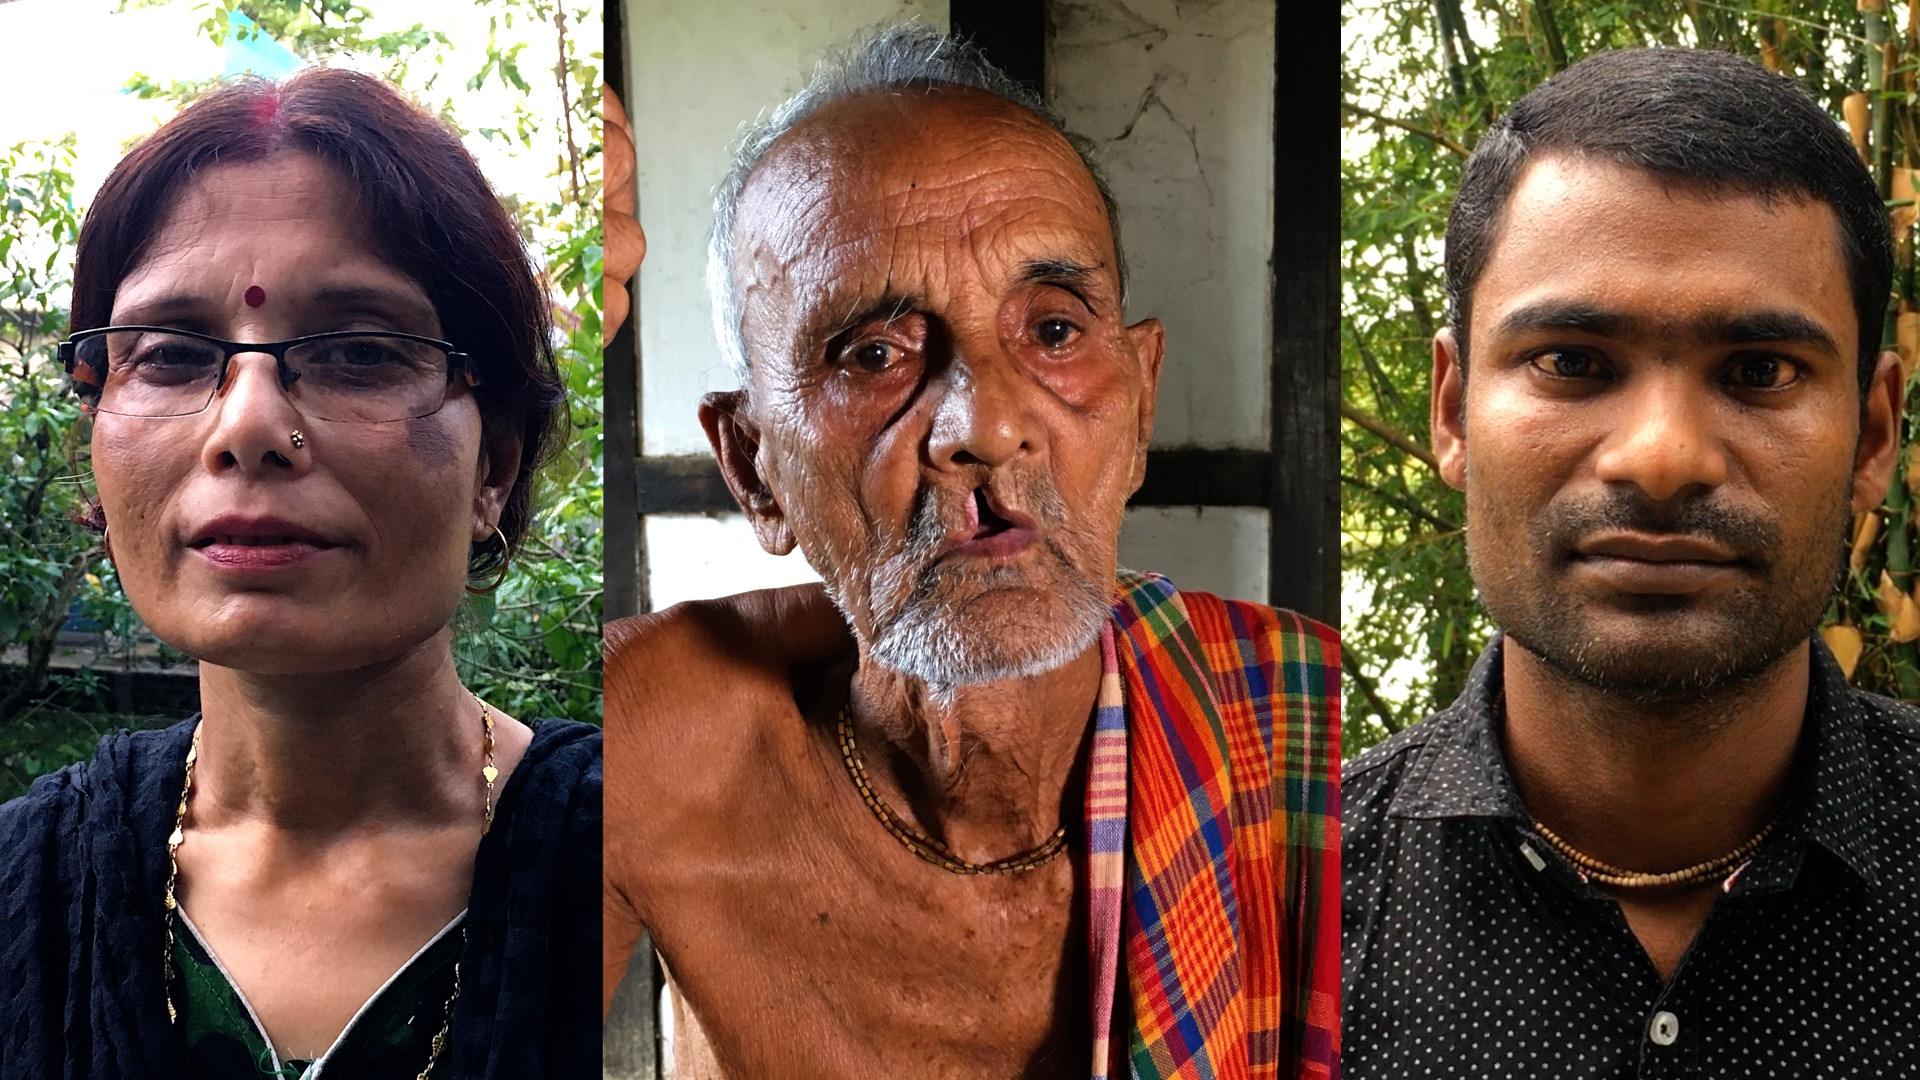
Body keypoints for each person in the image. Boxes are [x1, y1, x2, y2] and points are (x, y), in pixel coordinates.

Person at [602, 23, 1340, 1080]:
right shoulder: (660, 745)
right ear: (755, 470)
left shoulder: (1307, 730)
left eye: (1052, 331)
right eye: (874, 354)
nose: (983, 426)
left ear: (1138, 409)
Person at [0, 69, 601, 1078]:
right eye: (173, 354)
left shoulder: (658, 878)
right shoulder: (25, 887)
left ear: (494, 464)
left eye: (360, 352)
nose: (247, 428)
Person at [1342, 47, 1920, 1076]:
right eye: (1572, 363)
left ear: (1875, 436)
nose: (1661, 458)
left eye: (1759, 370)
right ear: (1451, 410)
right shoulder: (1267, 917)